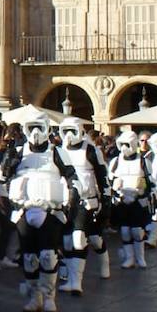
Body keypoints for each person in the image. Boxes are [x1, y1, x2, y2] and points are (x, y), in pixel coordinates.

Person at [0, 113, 82, 312]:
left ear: (46, 130)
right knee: (29, 257)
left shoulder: (57, 153)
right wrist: (8, 160)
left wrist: (72, 199)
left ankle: (49, 297)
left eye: (39, 127)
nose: (35, 133)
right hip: (24, 210)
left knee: (48, 255)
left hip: (50, 210)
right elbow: (0, 178)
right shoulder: (18, 152)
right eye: (31, 127)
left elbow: (72, 177)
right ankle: (34, 296)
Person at [57, 116, 109, 293]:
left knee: (85, 239)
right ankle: (72, 279)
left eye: (73, 131)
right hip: (65, 201)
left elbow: (103, 177)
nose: (69, 135)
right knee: (67, 241)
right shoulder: (58, 151)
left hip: (87, 201)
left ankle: (99, 267)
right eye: (66, 131)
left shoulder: (92, 150)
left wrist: (106, 201)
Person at [108, 131, 152, 268]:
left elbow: (151, 182)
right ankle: (129, 258)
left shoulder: (143, 161)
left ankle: (140, 258)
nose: (123, 148)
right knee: (125, 231)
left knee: (137, 231)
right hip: (122, 200)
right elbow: (110, 180)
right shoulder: (116, 161)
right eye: (121, 145)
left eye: (126, 144)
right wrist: (115, 188)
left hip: (138, 201)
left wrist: (142, 189)